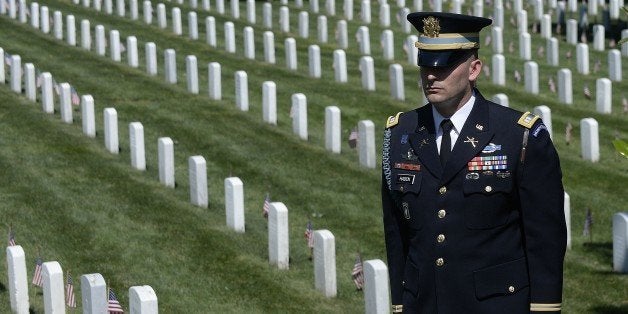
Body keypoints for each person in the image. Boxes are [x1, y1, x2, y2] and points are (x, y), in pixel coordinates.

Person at [381, 12, 566, 313]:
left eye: (444, 66)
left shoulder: (518, 136)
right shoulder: (401, 133)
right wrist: (400, 305)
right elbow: (397, 234)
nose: (431, 75)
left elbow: (545, 238)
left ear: (473, 69)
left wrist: (545, 308)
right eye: (426, 64)